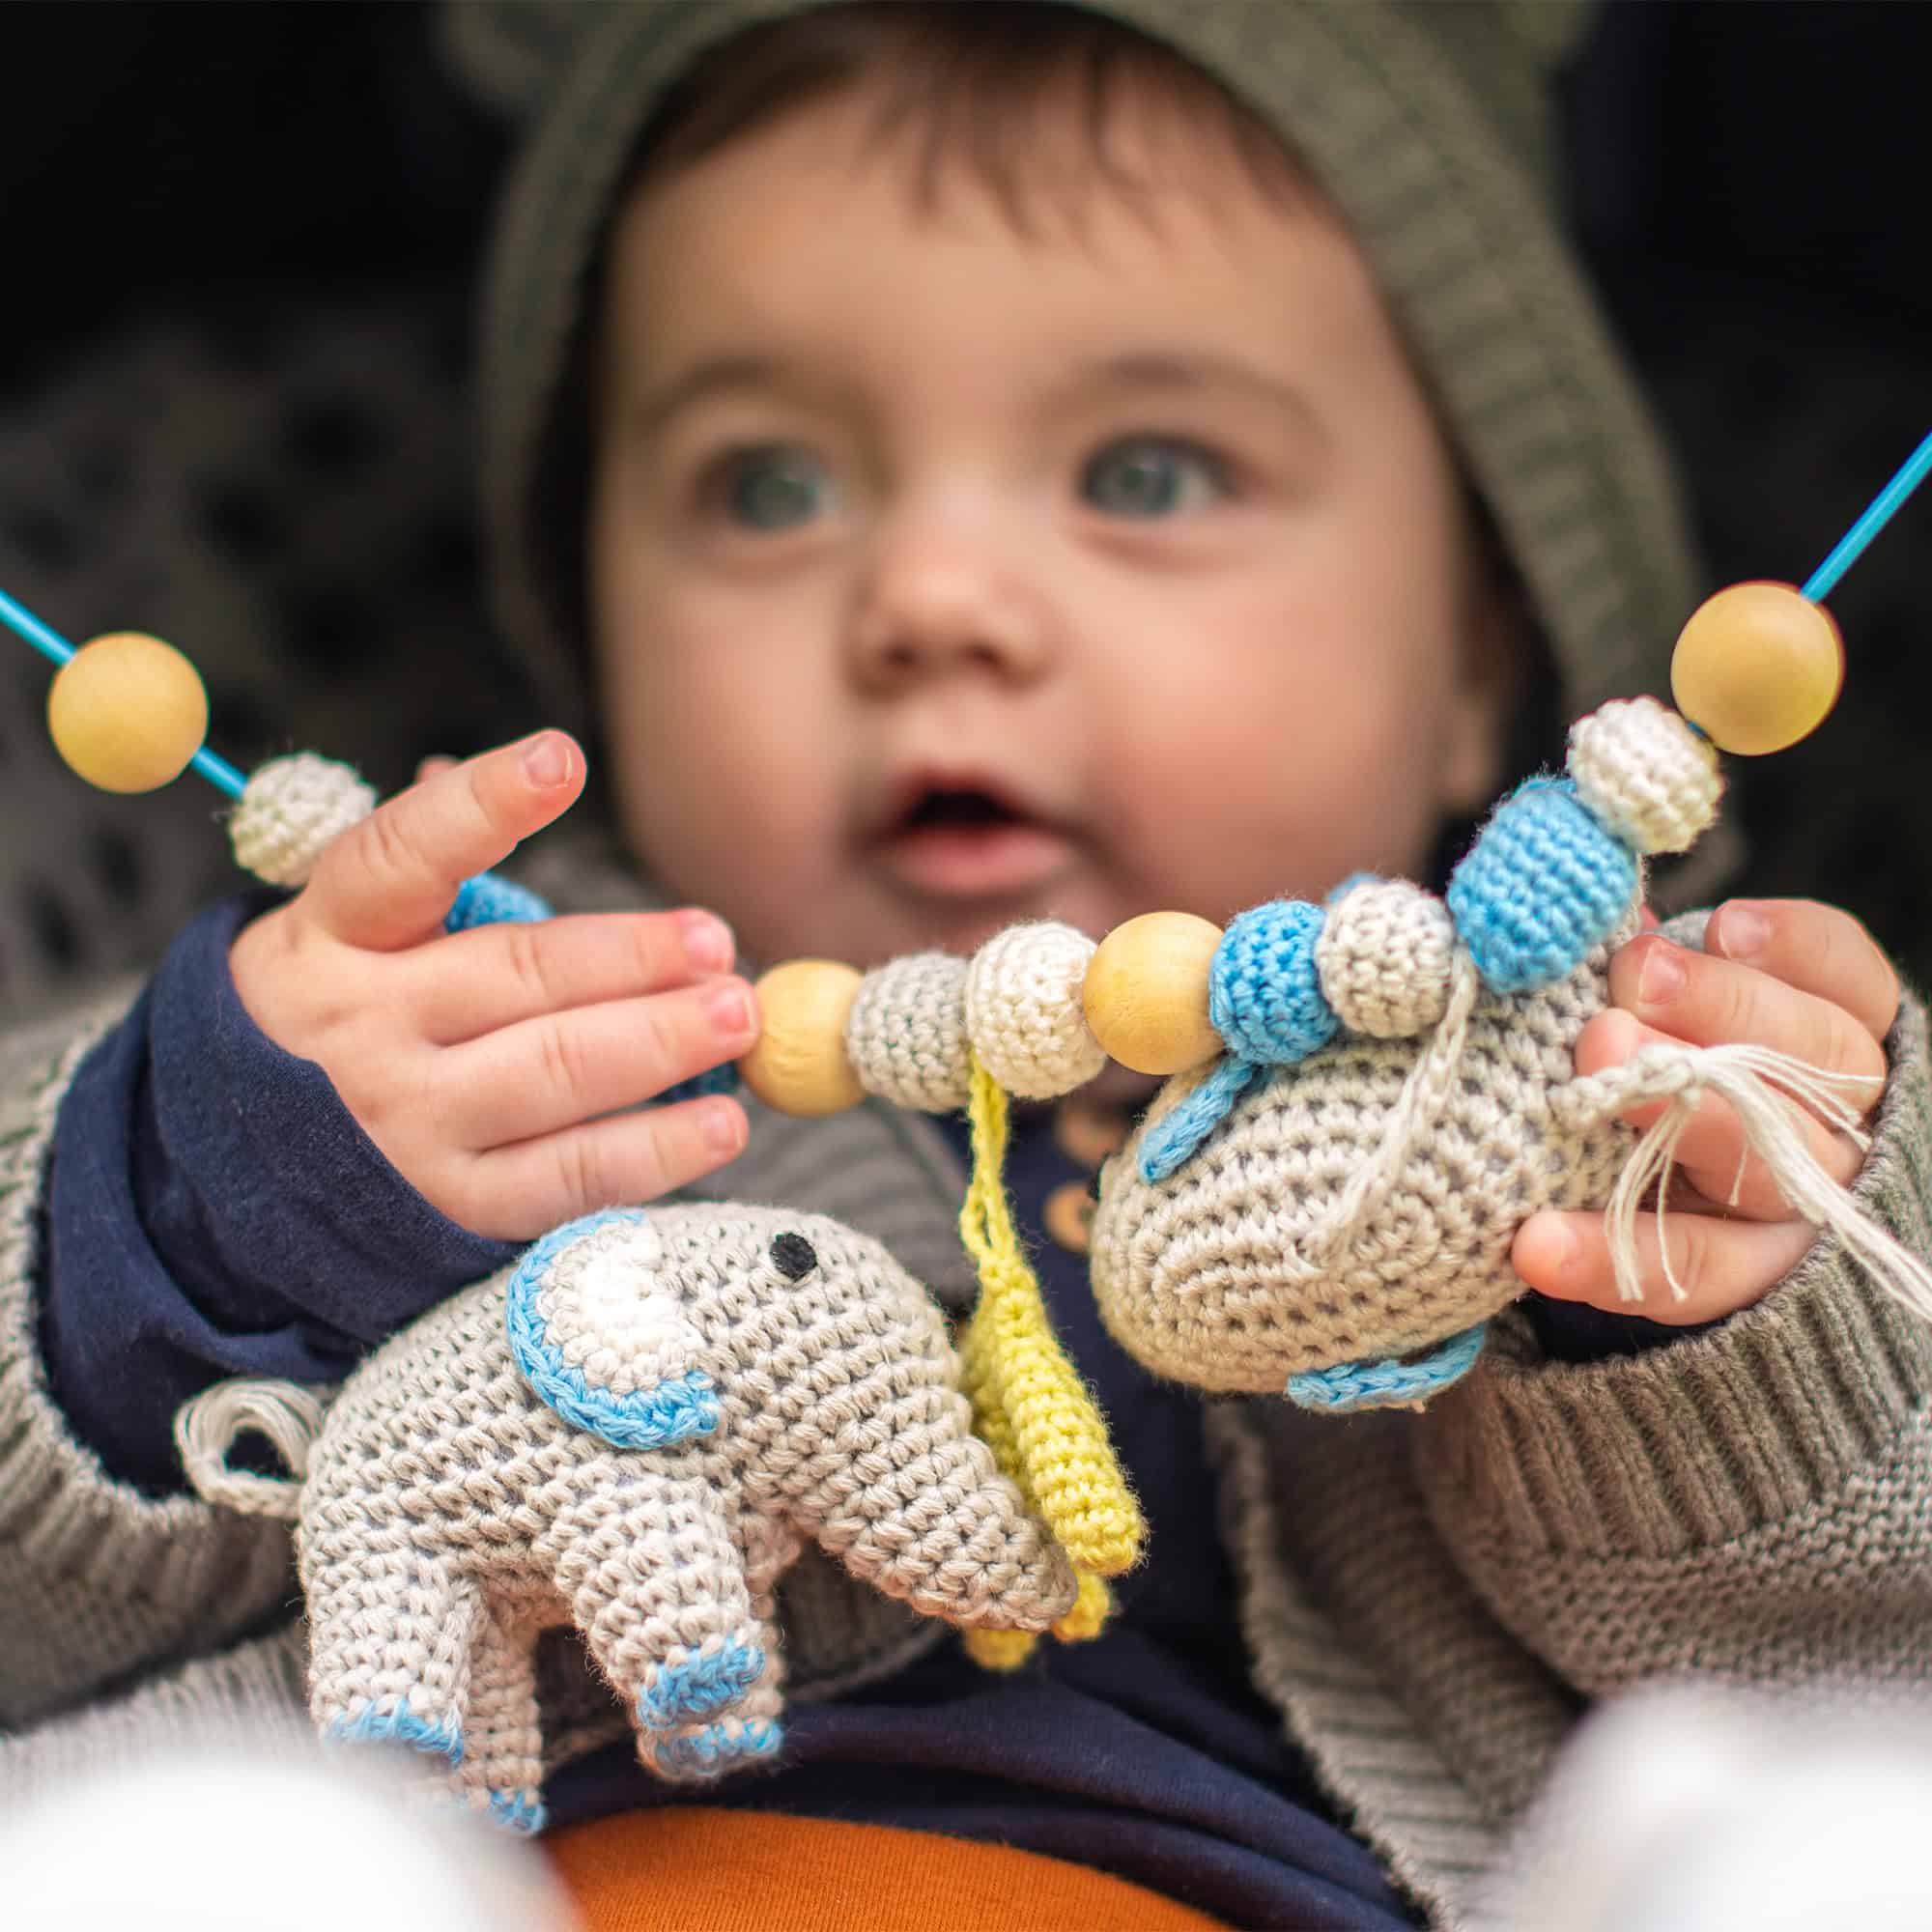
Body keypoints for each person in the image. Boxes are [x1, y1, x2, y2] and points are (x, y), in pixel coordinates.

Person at [4, 4, 1929, 1928]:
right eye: (768, 487)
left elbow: (1861, 1654)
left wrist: (1727, 1321)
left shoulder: (1595, 1071)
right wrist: (211, 1199)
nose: (930, 602)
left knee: (1836, 1841)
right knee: (197, 1860)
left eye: (1147, 473)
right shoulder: (442, 1032)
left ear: (1476, 654)